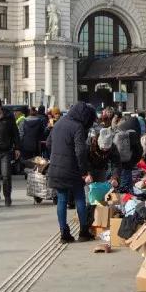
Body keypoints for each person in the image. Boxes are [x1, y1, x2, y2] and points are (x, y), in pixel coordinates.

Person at [45, 102, 97, 243]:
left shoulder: (59, 123)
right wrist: (84, 171)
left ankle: (64, 233)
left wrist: (57, 154)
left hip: (56, 167)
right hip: (72, 168)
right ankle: (83, 231)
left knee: (62, 199)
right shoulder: (78, 127)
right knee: (79, 197)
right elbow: (80, 151)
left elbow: (48, 144)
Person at [111, 114, 143, 189]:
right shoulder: (133, 133)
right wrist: (133, 163)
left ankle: (127, 194)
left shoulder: (120, 128)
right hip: (127, 163)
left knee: (123, 181)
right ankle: (126, 196)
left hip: (116, 162)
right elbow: (138, 151)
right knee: (125, 185)